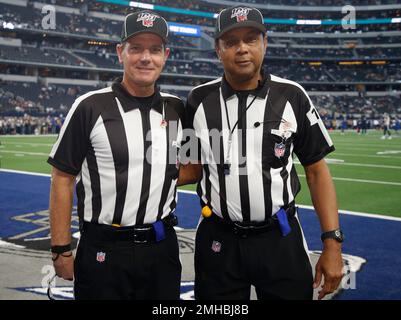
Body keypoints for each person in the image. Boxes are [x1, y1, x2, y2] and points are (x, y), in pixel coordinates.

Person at [182, 5, 344, 300]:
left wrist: (332, 243)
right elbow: (190, 165)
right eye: (231, 42)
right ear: (218, 50)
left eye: (251, 39)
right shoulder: (198, 100)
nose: (242, 49)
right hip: (218, 239)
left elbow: (316, 170)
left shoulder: (292, 95)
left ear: (265, 44)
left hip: (279, 236)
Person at [47, 10, 184, 300]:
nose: (145, 57)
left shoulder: (175, 110)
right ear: (120, 52)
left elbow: (189, 167)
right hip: (104, 248)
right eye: (136, 48)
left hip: (162, 247)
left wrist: (151, 179)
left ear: (166, 55)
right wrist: (60, 249)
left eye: (155, 49)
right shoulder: (89, 106)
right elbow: (62, 178)